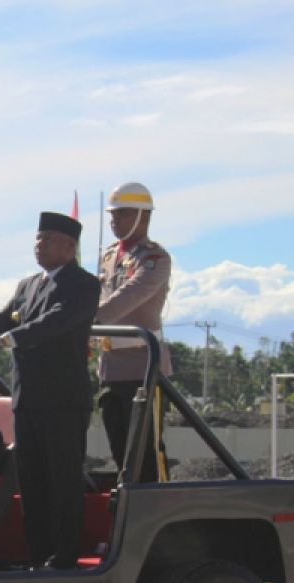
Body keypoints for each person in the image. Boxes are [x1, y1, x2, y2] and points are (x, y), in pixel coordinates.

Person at [0, 211, 100, 570]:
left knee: (62, 479)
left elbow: (57, 321)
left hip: (62, 401)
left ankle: (63, 556)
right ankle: (38, 554)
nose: (38, 246)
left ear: (69, 246)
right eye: (37, 239)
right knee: (31, 482)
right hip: (27, 401)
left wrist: (13, 338)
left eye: (46, 240)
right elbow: (2, 317)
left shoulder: (83, 285)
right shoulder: (28, 285)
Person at [94, 182, 172, 483]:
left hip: (143, 368)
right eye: (112, 214)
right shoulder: (109, 255)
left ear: (143, 217)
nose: (114, 220)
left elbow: (129, 296)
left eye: (122, 214)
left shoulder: (155, 259)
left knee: (147, 453)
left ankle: (154, 509)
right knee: (120, 450)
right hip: (110, 368)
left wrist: (87, 320)